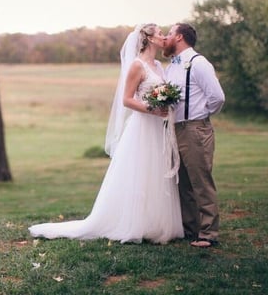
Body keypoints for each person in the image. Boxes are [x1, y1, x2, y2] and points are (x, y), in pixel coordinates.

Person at [28, 24, 184, 244]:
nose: (162, 36)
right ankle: (134, 224)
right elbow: (127, 100)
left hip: (159, 127)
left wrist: (165, 105)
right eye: (158, 33)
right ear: (148, 38)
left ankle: (157, 225)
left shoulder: (158, 65)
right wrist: (152, 109)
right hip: (142, 127)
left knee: (156, 173)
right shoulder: (136, 66)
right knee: (140, 173)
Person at [163, 23, 225, 248]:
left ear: (179, 37)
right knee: (183, 183)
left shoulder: (198, 63)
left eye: (169, 33)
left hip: (195, 128)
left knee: (201, 181)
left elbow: (217, 97)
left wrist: (201, 116)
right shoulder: (171, 67)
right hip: (173, 130)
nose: (165, 37)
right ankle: (191, 229)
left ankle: (209, 234)